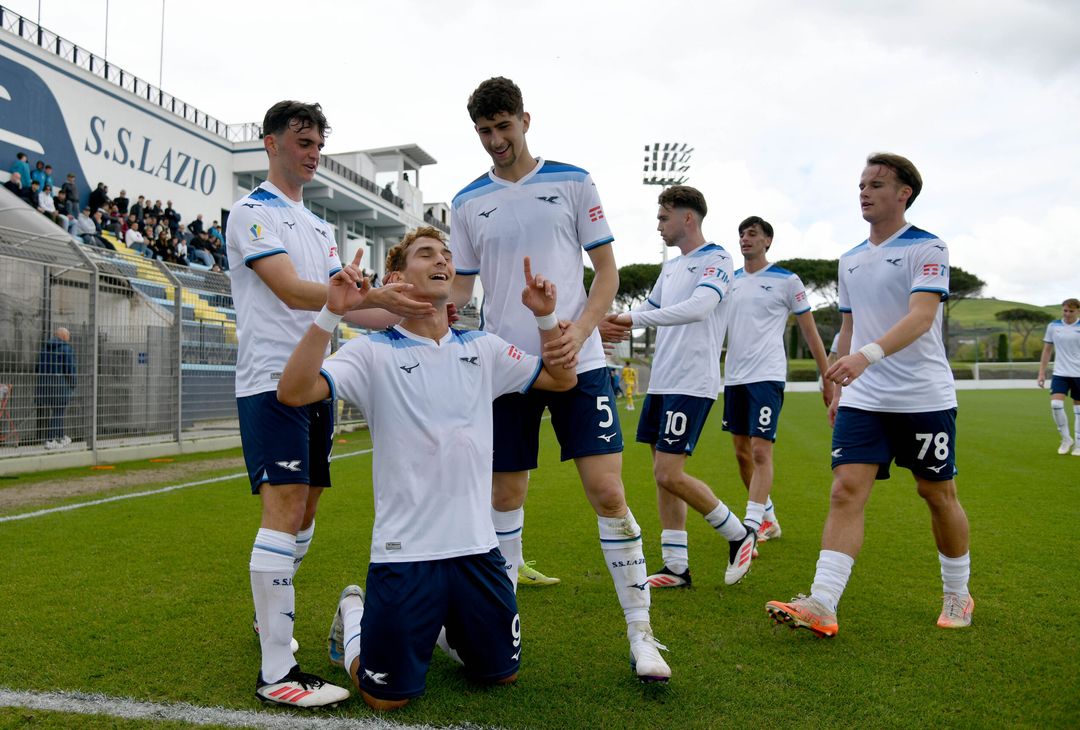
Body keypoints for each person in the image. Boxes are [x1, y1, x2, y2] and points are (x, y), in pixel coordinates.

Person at [280, 228, 576, 710]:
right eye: (426, 254)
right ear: (397, 277)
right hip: (406, 554)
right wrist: (334, 310)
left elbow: (561, 380)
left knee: (500, 675)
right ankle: (354, 615)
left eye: (446, 255)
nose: (442, 260)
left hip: (479, 552)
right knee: (386, 700)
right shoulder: (372, 351)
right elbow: (292, 392)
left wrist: (544, 316)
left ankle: (442, 624)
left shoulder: (483, 347)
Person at [448, 76, 670, 680]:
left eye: (503, 127)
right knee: (504, 496)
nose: (496, 140)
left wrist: (583, 328)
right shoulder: (467, 201)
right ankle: (502, 631)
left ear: (525, 119)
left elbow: (606, 271)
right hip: (507, 370)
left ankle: (642, 634)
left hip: (580, 363)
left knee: (608, 493)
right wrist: (426, 304)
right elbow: (463, 289)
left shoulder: (573, 181)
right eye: (484, 132)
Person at [227, 100, 432, 709]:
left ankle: (271, 621)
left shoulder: (318, 227)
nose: (313, 152)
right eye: (302, 140)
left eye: (319, 142)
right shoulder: (252, 213)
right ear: (271, 144)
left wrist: (406, 309)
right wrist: (372, 298)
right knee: (284, 509)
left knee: (308, 509)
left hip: (318, 382)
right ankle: (276, 672)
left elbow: (349, 307)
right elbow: (293, 291)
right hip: (272, 381)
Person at [766, 152, 973, 636]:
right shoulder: (851, 259)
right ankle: (822, 603)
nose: (865, 191)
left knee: (936, 493)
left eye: (877, 184)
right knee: (845, 490)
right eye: (862, 184)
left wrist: (867, 357)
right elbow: (849, 327)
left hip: (923, 396)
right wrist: (838, 383)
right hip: (864, 398)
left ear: (904, 193)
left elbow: (922, 318)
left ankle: (958, 593)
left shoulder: (929, 248)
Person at [601, 186, 754, 590]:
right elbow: (651, 308)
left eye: (663, 218)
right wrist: (618, 318)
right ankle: (676, 567)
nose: (658, 225)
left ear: (688, 218)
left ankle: (739, 533)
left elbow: (700, 307)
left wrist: (634, 322)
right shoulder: (671, 267)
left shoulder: (718, 258)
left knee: (670, 472)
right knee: (661, 474)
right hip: (664, 381)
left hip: (692, 380)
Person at [722, 216, 833, 544]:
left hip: (767, 375)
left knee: (760, 450)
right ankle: (768, 517)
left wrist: (827, 376)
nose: (745, 239)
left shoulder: (787, 280)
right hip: (735, 377)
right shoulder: (729, 281)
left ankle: (751, 526)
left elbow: (809, 330)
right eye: (742, 234)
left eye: (753, 234)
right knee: (741, 452)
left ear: (767, 241)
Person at [1037, 298, 1080, 455]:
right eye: (1065, 310)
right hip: (1060, 373)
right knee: (1056, 404)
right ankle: (1066, 439)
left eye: (1071, 311)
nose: (1067, 314)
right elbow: (1047, 350)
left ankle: (1079, 444)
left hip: (1079, 374)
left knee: (1078, 409)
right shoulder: (1053, 326)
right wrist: (1042, 372)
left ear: (1078, 311)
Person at [35, 327, 76, 449]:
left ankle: (61, 436)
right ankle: (51, 439)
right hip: (61, 386)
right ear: (63, 336)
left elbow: (37, 368)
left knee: (58, 411)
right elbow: (70, 369)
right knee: (58, 411)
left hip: (45, 386)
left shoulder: (44, 349)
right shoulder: (66, 349)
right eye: (68, 336)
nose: (69, 338)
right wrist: (73, 383)